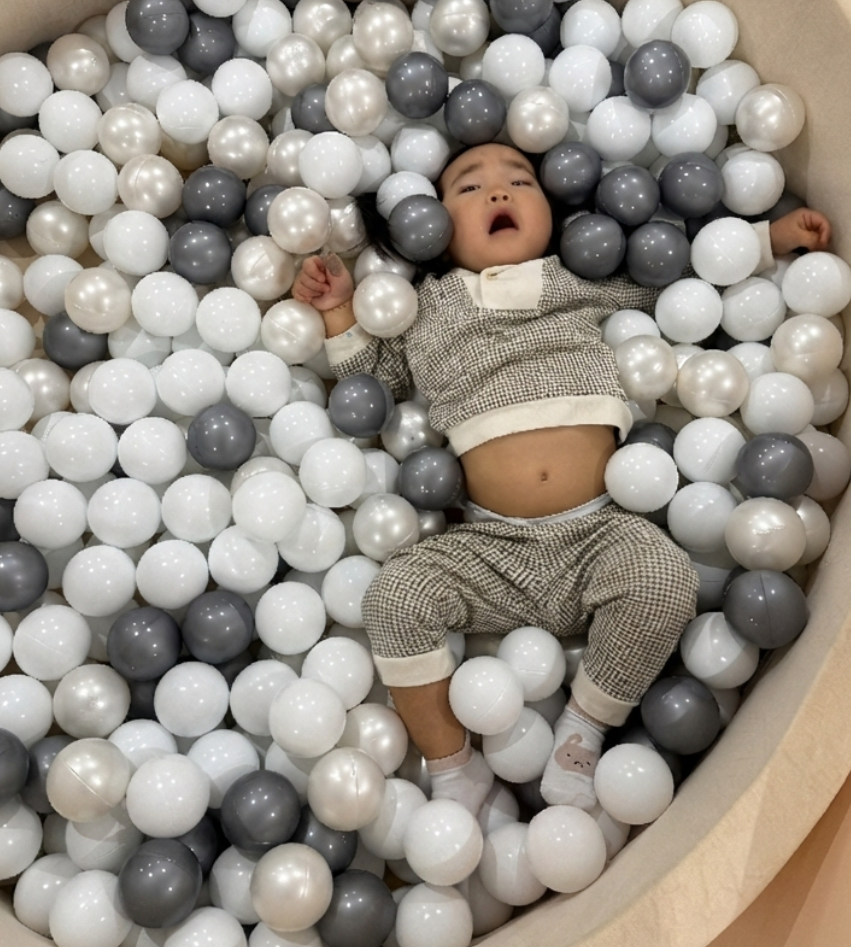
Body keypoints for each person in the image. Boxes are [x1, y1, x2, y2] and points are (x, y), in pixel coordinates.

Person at [292, 141, 831, 814]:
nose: (498, 192)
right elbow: (380, 385)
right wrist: (341, 313)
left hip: (600, 529)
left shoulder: (579, 279)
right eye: (468, 188)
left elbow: (681, 279)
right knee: (395, 598)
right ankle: (453, 764)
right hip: (490, 546)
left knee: (665, 577)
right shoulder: (425, 308)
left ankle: (584, 730)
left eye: (519, 180)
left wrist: (768, 238)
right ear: (430, 227)